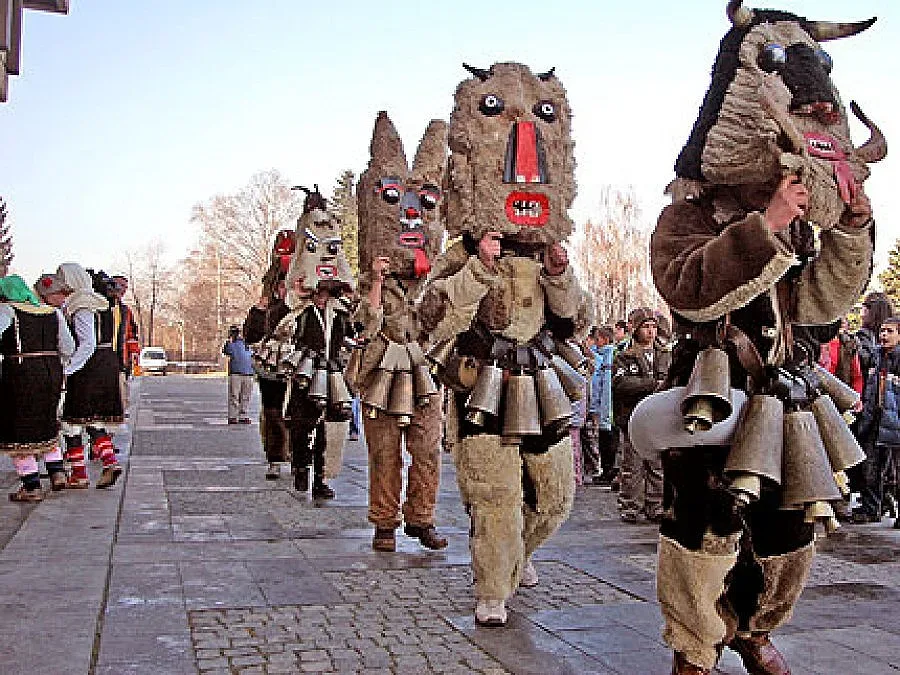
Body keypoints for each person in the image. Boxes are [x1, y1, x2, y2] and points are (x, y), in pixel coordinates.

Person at [645, 4, 879, 672]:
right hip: (710, 390)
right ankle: (695, 644)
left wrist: (847, 231)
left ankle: (753, 626)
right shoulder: (687, 212)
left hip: (787, 392)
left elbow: (823, 305)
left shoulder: (807, 214)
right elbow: (687, 287)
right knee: (703, 529)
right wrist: (767, 228)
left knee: (789, 529)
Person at [418, 63, 582, 627]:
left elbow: (575, 319)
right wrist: (479, 269)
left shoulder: (544, 255)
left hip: (542, 386)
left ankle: (516, 557)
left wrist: (560, 275)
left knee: (557, 498)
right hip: (480, 388)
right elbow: (433, 322)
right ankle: (493, 586)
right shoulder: (461, 254)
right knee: (496, 501)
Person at [353, 112, 448, 552]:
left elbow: (446, 320)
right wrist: (375, 281)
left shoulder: (437, 281)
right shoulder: (368, 282)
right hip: (381, 376)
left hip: (423, 374)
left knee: (427, 450)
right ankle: (384, 522)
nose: (411, 216)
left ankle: (422, 518)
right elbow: (365, 324)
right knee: (384, 453)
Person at [1, 275, 75, 501]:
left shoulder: (7, 310)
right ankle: (57, 472)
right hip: (52, 371)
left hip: (20, 372)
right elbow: (69, 347)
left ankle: (31, 484)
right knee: (46, 420)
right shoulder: (51, 312)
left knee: (18, 427)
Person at [53, 264, 126, 489]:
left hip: (89, 367)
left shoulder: (82, 304)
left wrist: (68, 370)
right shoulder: (101, 302)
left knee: (71, 421)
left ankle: (79, 473)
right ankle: (108, 461)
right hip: (105, 363)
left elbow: (87, 343)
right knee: (92, 419)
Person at [244, 232, 294, 480]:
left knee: (297, 414)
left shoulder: (302, 308)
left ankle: (298, 458)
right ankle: (274, 458)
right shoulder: (265, 309)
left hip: (297, 366)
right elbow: (251, 335)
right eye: (281, 286)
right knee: (273, 413)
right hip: (271, 368)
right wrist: (257, 311)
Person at [613, 308, 670, 522]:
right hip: (632, 417)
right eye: (646, 327)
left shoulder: (665, 355)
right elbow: (621, 384)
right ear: (635, 329)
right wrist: (652, 384)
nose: (651, 331)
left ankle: (655, 505)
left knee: (656, 465)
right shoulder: (624, 357)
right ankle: (630, 505)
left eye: (653, 327)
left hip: (658, 418)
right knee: (632, 465)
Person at [855, 316, 900, 525]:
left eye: (890, 331)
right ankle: (871, 508)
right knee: (870, 468)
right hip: (875, 420)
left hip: (896, 422)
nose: (884, 335)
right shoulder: (874, 356)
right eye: (882, 331)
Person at [587, 325, 617, 486]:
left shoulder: (609, 357)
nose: (595, 343)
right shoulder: (601, 355)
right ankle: (607, 470)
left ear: (605, 340)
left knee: (608, 439)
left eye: (597, 339)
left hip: (608, 406)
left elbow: (602, 384)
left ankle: (609, 471)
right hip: (603, 405)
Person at [222, 325, 254, 425]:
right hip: (235, 373)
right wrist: (229, 340)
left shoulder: (249, 344)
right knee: (234, 395)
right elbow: (226, 351)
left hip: (249, 373)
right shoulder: (231, 343)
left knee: (246, 396)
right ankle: (233, 416)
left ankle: (243, 415)